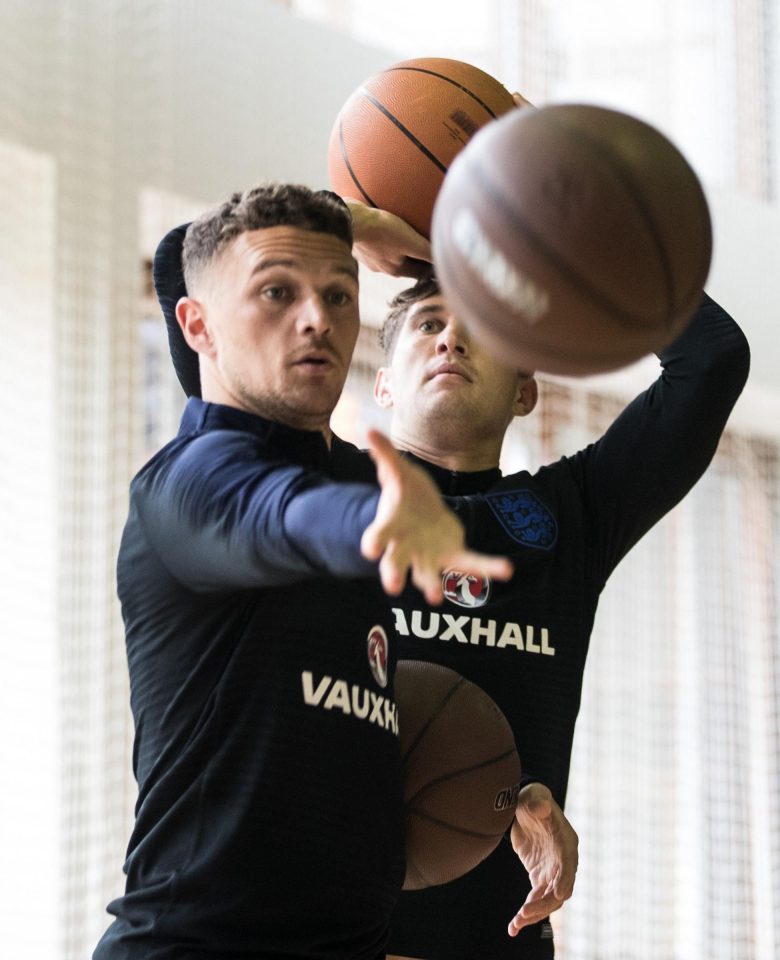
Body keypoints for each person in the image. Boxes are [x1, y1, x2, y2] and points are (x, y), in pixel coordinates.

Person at [92, 182, 516, 960]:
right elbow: (278, 514)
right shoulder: (189, 482)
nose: (317, 317)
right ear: (198, 328)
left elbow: (175, 258)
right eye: (277, 293)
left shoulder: (350, 469)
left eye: (339, 293)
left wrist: (349, 221)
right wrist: (371, 522)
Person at [368, 272, 749, 960]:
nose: (452, 335)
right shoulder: (316, 498)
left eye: (482, 328)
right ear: (383, 384)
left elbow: (713, 357)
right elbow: (191, 292)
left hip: (496, 941)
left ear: (525, 390)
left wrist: (549, 255)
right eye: (429, 324)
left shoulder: (573, 511)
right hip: (324, 928)